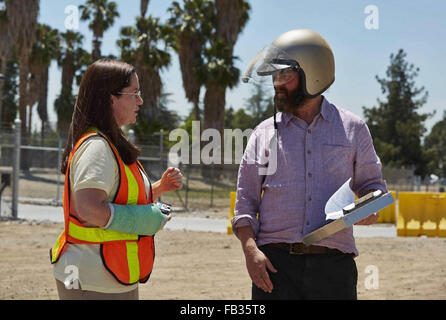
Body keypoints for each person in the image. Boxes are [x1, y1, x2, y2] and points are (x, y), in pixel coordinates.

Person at [231, 29, 387, 300]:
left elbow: (374, 189)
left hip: (334, 270)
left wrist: (369, 207)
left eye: (284, 76)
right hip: (275, 268)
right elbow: (245, 203)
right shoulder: (262, 133)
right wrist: (250, 251)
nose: (277, 84)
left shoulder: (354, 129)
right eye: (274, 77)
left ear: (313, 75)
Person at [50, 59, 183, 300]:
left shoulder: (110, 144)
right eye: (135, 94)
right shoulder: (97, 148)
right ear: (111, 99)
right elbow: (89, 208)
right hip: (92, 277)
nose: (140, 101)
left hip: (110, 275)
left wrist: (160, 188)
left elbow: (121, 197)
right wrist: (146, 220)